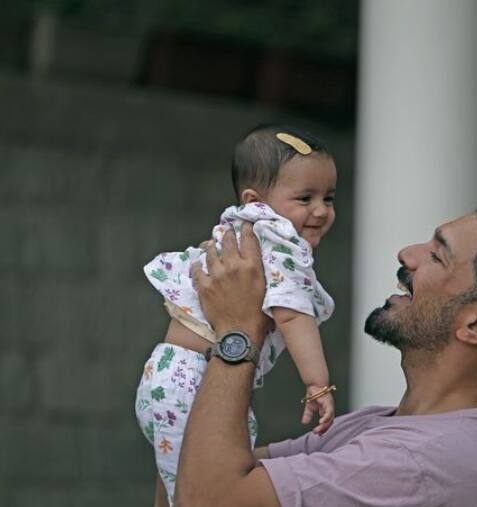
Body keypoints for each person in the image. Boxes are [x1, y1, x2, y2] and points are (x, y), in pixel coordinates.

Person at [173, 195, 477, 507]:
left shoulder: (420, 463)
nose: (408, 254)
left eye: (437, 255)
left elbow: (207, 497)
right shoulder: (381, 427)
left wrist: (238, 330)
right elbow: (192, 473)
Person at [135, 124, 339, 506]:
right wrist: (318, 383)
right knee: (207, 491)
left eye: (328, 197)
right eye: (305, 197)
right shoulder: (278, 239)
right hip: (192, 381)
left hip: (173, 377)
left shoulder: (239, 228)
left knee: (186, 485)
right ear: (256, 200)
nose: (321, 211)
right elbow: (292, 313)